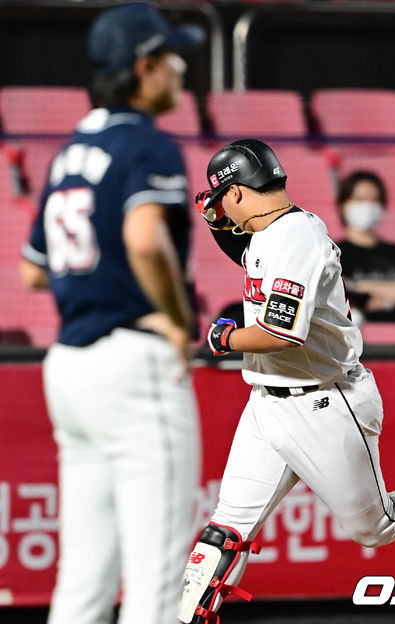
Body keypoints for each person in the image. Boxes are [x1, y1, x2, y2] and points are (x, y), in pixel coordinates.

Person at [175, 139, 395, 624]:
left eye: (221, 200)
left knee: (376, 526)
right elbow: (247, 251)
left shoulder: (297, 238)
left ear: (237, 193)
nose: (220, 211)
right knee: (225, 530)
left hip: (326, 404)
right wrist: (216, 224)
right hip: (268, 404)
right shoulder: (269, 231)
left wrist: (224, 339)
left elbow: (279, 333)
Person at [19, 4, 203, 624]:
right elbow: (146, 238)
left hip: (70, 363)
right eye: (173, 58)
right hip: (133, 362)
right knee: (157, 581)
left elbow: (33, 268)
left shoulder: (70, 151)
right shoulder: (145, 142)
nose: (182, 70)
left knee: (83, 581)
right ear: (144, 67)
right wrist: (179, 321)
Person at [336, 171, 395, 323]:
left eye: (374, 200)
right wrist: (394, 294)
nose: (367, 206)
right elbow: (340, 299)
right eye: (359, 199)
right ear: (343, 205)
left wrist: (364, 287)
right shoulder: (333, 252)